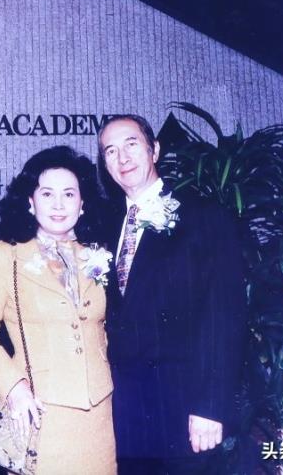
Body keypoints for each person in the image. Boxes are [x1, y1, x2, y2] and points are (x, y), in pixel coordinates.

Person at [97, 115, 246, 474]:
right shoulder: (103, 226)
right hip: (127, 419)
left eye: (131, 144)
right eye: (110, 151)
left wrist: (211, 406)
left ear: (155, 150)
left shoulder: (204, 216)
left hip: (186, 411)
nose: (122, 157)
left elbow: (224, 315)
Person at [0, 146, 117, 474]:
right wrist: (13, 386)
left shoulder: (98, 255)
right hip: (34, 412)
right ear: (30, 202)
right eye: (47, 194)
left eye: (69, 194)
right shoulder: (3, 256)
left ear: (82, 203)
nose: (58, 205)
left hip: (99, 421)